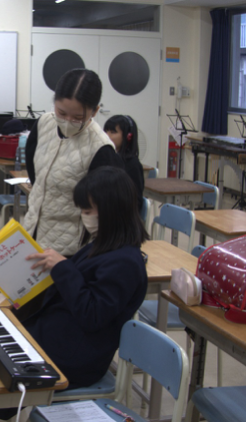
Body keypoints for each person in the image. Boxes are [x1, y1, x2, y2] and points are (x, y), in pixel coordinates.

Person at [23, 166, 148, 390]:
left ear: (112, 211)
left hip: (72, 358)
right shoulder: (103, 246)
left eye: (88, 211)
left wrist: (62, 268)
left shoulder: (126, 263)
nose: (84, 217)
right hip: (58, 338)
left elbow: (92, 315)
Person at [24, 68, 123, 257]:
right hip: (32, 232)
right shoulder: (44, 124)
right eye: (61, 113)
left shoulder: (100, 148)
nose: (68, 121)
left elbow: (105, 211)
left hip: (70, 248)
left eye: (78, 117)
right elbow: (34, 172)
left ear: (95, 111)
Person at [104, 114, 145, 212]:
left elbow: (136, 201)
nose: (106, 136)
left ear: (128, 136)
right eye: (105, 131)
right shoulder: (107, 158)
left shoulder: (132, 164)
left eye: (113, 132)